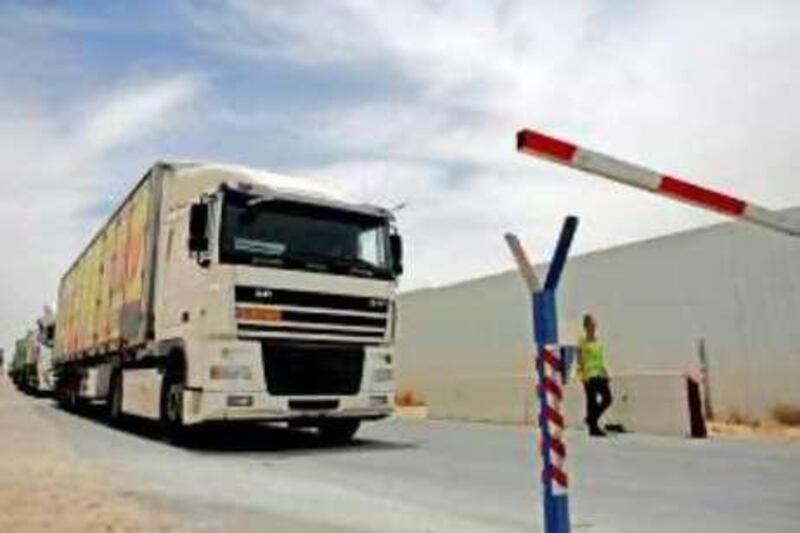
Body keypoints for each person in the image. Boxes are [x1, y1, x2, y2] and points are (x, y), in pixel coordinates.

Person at [577, 314, 612, 436]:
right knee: (591, 402)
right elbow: (580, 360)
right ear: (586, 327)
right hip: (589, 375)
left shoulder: (597, 342)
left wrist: (605, 372)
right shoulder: (582, 342)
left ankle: (590, 419)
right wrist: (582, 376)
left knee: (607, 399)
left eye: (594, 325)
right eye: (591, 325)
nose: (593, 327)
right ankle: (593, 428)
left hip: (599, 373)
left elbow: (600, 359)